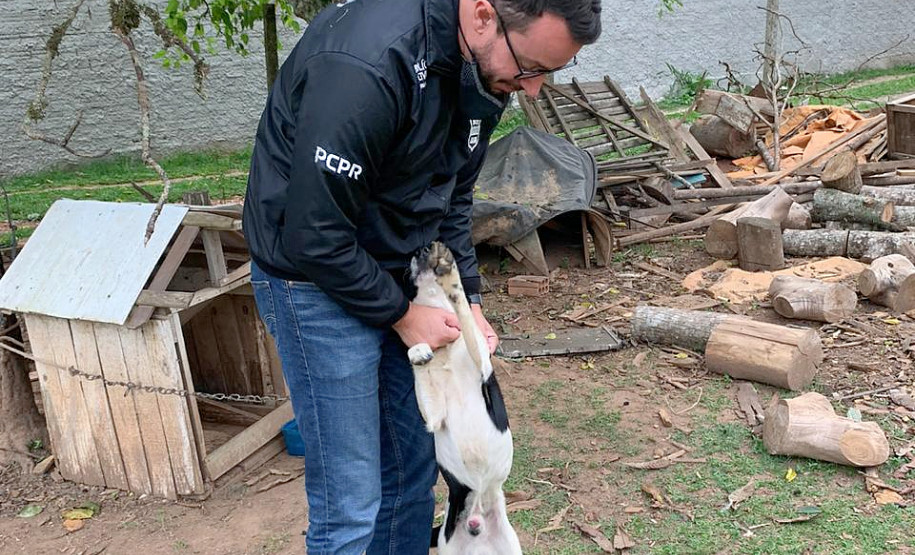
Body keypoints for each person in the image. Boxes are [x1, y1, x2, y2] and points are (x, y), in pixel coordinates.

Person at [242, 0, 601, 552]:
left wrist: (470, 302)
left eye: (549, 74)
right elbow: (314, 235)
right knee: (352, 502)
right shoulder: (367, 66)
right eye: (531, 69)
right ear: (483, 15)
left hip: (396, 270)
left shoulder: (487, 75)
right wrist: (403, 316)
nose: (532, 91)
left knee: (410, 478)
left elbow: (453, 198)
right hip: (311, 279)